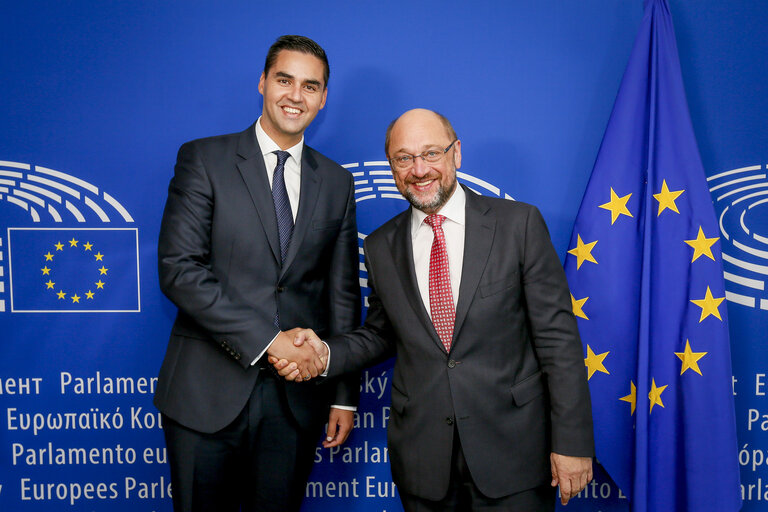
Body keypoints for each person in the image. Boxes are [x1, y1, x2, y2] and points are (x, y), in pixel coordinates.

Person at [272, 108, 594, 511]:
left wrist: (573, 443)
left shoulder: (519, 225)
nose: (418, 169)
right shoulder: (381, 246)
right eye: (403, 158)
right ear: (391, 167)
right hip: (424, 463)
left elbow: (558, 342)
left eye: (431, 154)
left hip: (514, 456)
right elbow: (381, 334)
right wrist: (324, 355)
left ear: (456, 153)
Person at [154, 35, 361, 512]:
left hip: (294, 405)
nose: (295, 95)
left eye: (311, 86)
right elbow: (180, 270)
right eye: (284, 79)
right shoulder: (204, 159)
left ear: (324, 98)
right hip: (205, 395)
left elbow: (343, 294)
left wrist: (344, 396)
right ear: (263, 82)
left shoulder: (336, 181)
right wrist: (271, 342)